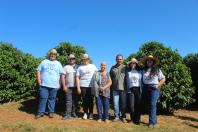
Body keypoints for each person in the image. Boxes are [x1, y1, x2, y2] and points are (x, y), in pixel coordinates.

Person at [35, 49, 63, 119]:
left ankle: (51, 112)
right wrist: (38, 80)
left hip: (54, 85)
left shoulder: (58, 63)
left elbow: (61, 74)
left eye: (54, 54)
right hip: (44, 84)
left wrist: (60, 84)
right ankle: (40, 113)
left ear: (56, 55)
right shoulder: (44, 61)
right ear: (49, 54)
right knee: (43, 98)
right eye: (52, 54)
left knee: (52, 99)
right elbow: (38, 70)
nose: (53, 55)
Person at [141, 55, 165, 128]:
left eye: (151, 60)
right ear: (146, 62)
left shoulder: (157, 70)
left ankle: (151, 123)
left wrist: (158, 85)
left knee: (152, 104)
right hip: (145, 88)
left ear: (153, 62)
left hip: (154, 88)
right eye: (148, 60)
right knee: (149, 105)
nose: (149, 61)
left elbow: (163, 79)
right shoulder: (144, 70)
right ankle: (154, 120)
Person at [76, 53, 97, 120]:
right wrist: (78, 87)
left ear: (88, 59)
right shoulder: (80, 67)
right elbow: (77, 78)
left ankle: (91, 113)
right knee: (84, 100)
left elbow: (98, 75)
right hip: (83, 86)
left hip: (92, 86)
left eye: (86, 59)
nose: (85, 60)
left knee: (91, 100)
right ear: (82, 60)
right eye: (84, 59)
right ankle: (85, 113)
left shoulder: (93, 66)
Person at [110, 54, 127, 123]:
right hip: (115, 89)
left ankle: (123, 117)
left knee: (123, 104)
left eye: (120, 59)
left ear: (122, 60)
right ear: (116, 59)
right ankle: (116, 116)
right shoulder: (112, 67)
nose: (119, 60)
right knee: (115, 104)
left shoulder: (125, 67)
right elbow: (110, 77)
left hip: (123, 89)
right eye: (118, 59)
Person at [61, 54, 79, 119]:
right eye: (70, 59)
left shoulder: (78, 67)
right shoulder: (65, 67)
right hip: (68, 87)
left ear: (75, 60)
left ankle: (73, 113)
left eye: (73, 59)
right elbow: (62, 77)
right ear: (68, 60)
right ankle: (68, 114)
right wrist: (64, 86)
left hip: (76, 87)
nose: (71, 60)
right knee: (68, 101)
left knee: (75, 101)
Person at [126, 58, 142, 125]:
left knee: (138, 105)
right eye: (132, 63)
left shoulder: (140, 72)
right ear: (130, 64)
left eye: (134, 63)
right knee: (131, 105)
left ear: (136, 64)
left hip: (138, 89)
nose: (133, 64)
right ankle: (132, 119)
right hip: (131, 89)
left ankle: (137, 120)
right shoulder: (128, 72)